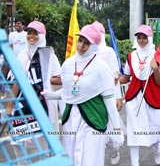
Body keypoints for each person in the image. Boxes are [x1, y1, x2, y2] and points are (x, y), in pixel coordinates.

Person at [44, 22, 124, 166]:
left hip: (93, 118)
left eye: (86, 43)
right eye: (80, 40)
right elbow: (70, 91)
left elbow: (108, 99)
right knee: (72, 157)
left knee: (90, 159)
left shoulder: (101, 67)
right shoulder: (68, 64)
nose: (81, 46)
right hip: (70, 118)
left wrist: (117, 129)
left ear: (93, 46)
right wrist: (52, 95)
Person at [5, 21, 61, 165]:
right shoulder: (23, 55)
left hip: (44, 103)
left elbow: (58, 79)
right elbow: (17, 82)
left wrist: (45, 80)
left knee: (43, 140)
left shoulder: (49, 55)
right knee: (18, 139)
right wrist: (10, 106)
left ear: (42, 36)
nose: (31, 36)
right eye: (29, 33)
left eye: (35, 33)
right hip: (24, 103)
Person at [119, 25, 160, 166]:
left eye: (144, 37)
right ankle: (135, 162)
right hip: (134, 98)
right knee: (134, 130)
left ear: (149, 38)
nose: (141, 40)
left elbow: (159, 82)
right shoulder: (131, 56)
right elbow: (126, 77)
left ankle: (157, 148)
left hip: (151, 97)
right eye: (139, 37)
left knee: (154, 126)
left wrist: (156, 68)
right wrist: (114, 80)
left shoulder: (157, 56)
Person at [95, 21, 124, 165]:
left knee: (110, 130)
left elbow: (115, 77)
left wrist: (119, 97)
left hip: (107, 96)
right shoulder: (86, 50)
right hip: (91, 98)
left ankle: (114, 150)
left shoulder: (108, 52)